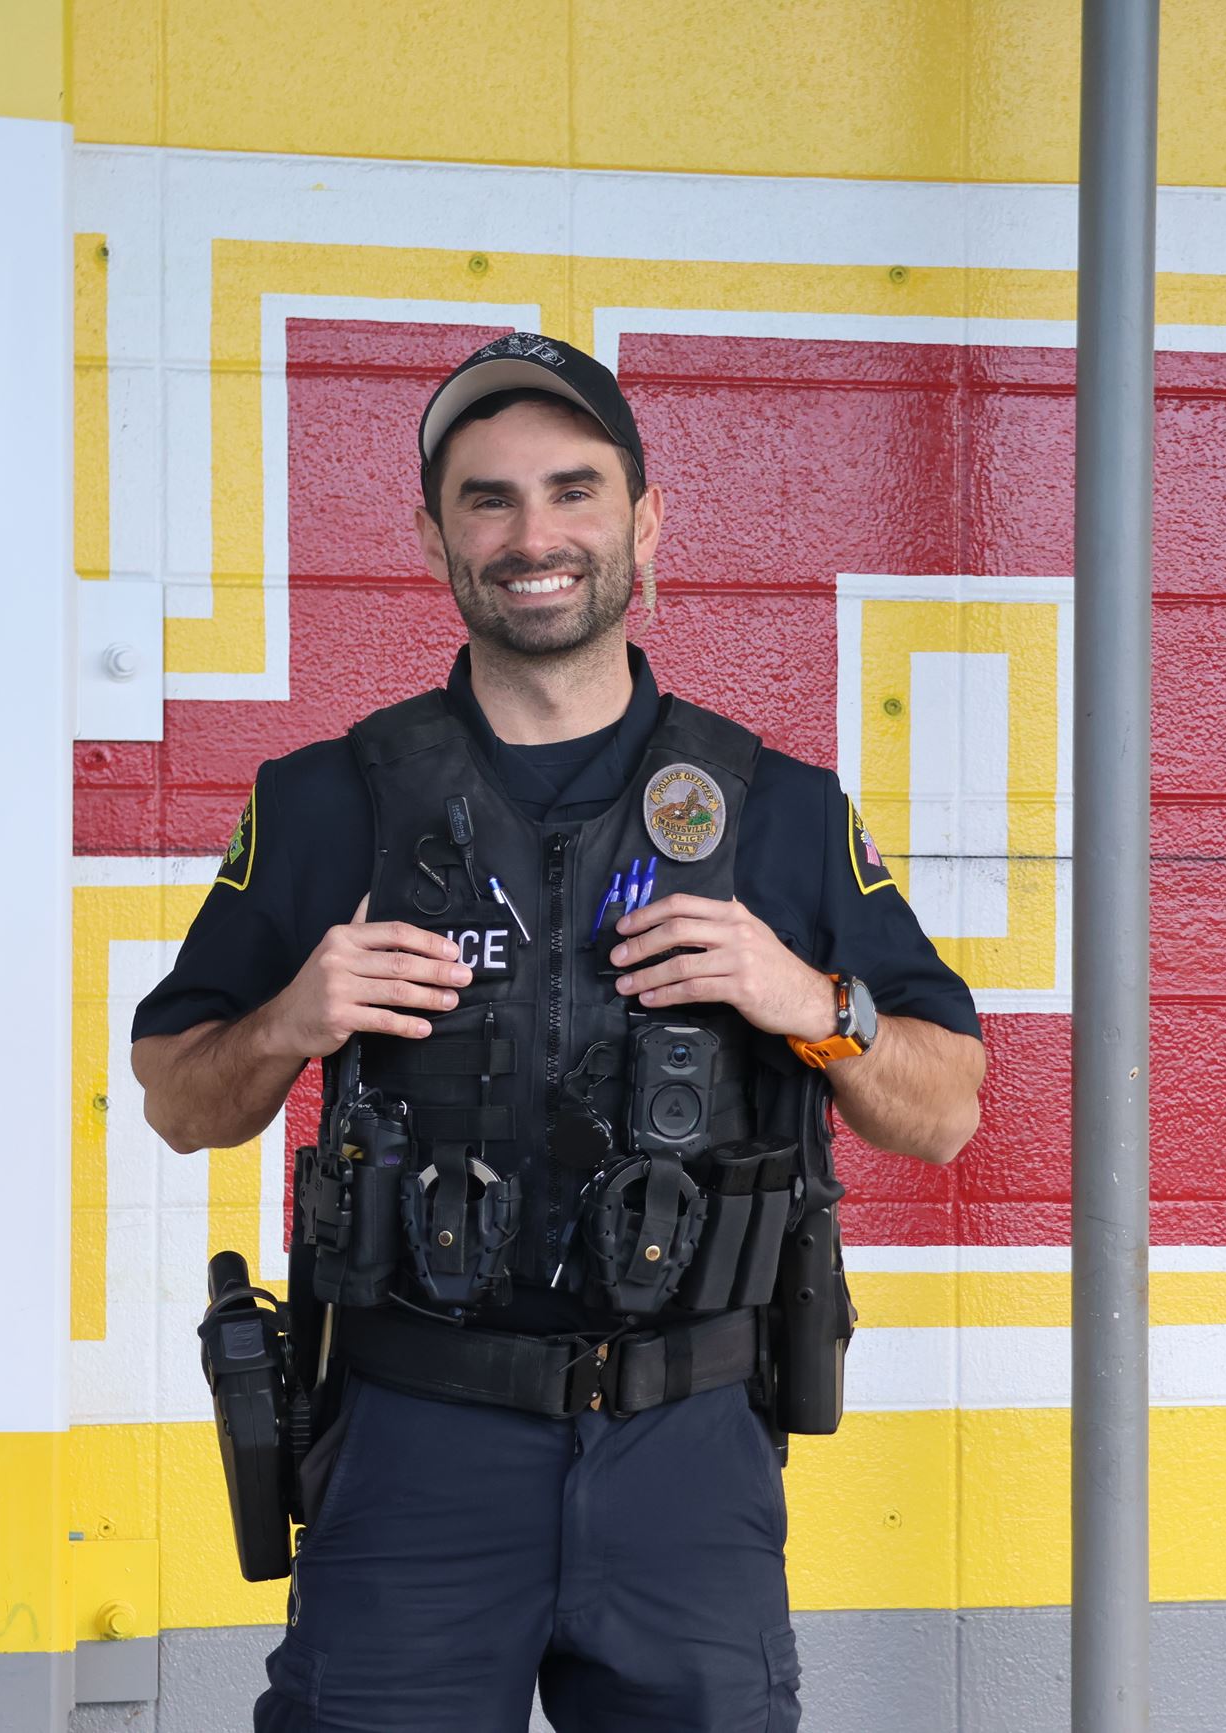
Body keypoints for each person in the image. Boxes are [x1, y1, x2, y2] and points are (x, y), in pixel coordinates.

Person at [130, 332, 987, 1732]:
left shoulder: (777, 811)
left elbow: (945, 1110)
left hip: (687, 1459)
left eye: (574, 491)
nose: (534, 536)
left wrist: (808, 1002)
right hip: (415, 1446)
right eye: (489, 499)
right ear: (435, 540)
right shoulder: (326, 802)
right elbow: (179, 1099)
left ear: (645, 523)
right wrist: (291, 1017)